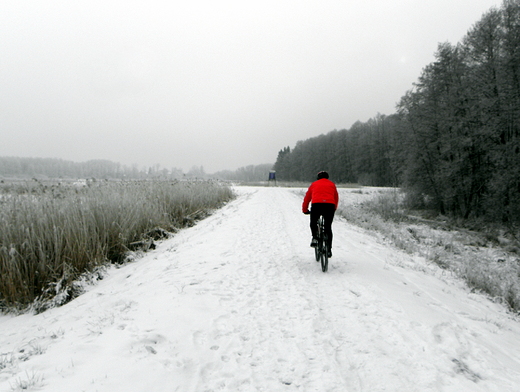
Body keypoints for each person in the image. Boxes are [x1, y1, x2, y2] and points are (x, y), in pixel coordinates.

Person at [302, 171, 339, 257]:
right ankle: (329, 250)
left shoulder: (314, 184)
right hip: (329, 206)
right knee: (328, 227)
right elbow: (336, 197)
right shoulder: (332, 184)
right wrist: (334, 208)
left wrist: (305, 210)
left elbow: (307, 198)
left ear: (318, 177)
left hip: (317, 205)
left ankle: (315, 237)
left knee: (313, 222)